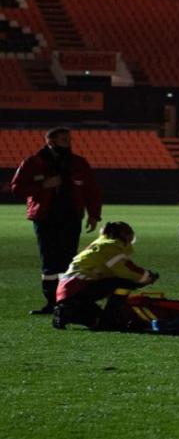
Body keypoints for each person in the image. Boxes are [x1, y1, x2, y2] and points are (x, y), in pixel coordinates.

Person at [11, 127, 102, 315]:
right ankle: (52, 302)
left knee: (69, 259)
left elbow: (91, 190)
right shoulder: (33, 162)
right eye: (63, 139)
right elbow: (17, 188)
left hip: (71, 216)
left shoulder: (78, 163)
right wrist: (42, 185)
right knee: (50, 261)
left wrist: (94, 214)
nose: (68, 142)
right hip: (46, 217)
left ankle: (66, 301)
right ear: (50, 141)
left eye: (69, 138)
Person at [52, 221, 159, 330]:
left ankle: (67, 311)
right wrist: (147, 278)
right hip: (77, 288)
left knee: (97, 320)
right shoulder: (111, 247)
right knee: (124, 283)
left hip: (70, 289)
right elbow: (125, 271)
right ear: (125, 236)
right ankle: (71, 311)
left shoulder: (102, 244)